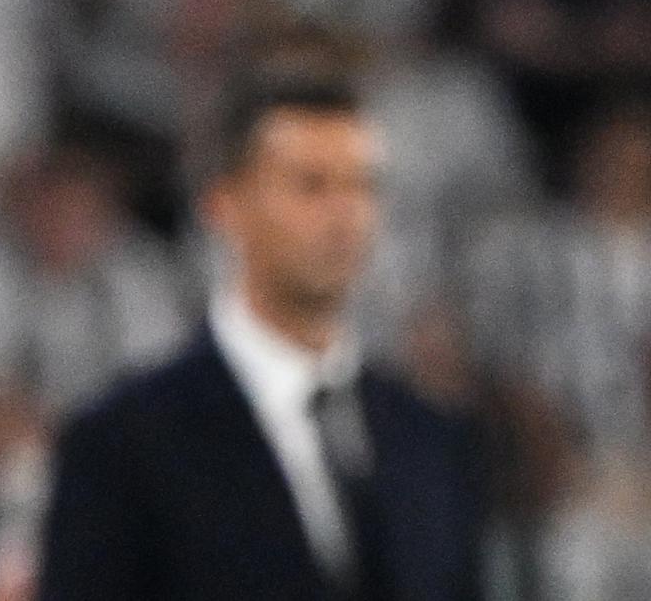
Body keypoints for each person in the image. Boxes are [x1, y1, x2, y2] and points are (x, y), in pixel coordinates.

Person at [39, 71, 484, 600]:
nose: (346, 215)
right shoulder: (123, 444)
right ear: (224, 205)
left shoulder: (432, 441)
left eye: (363, 185)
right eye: (310, 185)